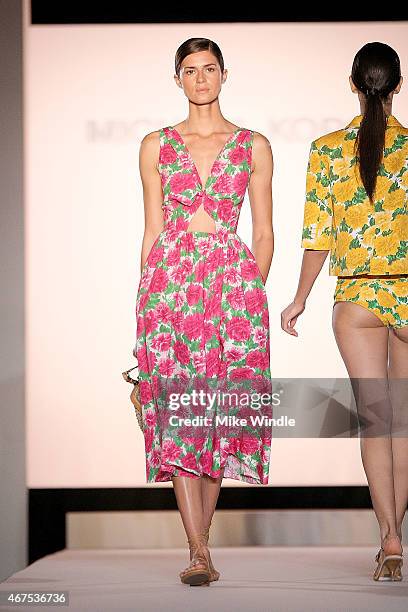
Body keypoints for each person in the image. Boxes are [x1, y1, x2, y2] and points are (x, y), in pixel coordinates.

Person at [133, 37, 274, 586]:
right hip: (169, 292)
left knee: (215, 417)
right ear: (177, 79)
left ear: (223, 74)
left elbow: (263, 232)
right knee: (178, 417)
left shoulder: (253, 145)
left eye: (208, 68)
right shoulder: (155, 145)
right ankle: (198, 550)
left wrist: (248, 295)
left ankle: (202, 543)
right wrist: (144, 303)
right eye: (189, 70)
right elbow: (151, 231)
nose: (199, 79)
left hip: (232, 293)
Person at [281, 42, 407, 581]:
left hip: (356, 297)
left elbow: (317, 237)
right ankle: (395, 538)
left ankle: (390, 538)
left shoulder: (328, 150)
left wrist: (300, 298)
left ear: (354, 84)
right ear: (397, 85)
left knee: (376, 420)